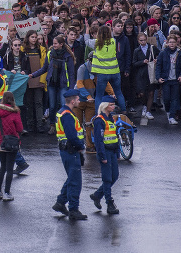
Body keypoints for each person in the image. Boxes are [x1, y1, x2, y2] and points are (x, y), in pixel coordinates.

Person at [52, 89, 87, 220]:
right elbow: (72, 136)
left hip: (67, 150)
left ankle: (60, 203)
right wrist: (81, 146)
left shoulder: (62, 112)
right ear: (72, 101)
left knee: (72, 178)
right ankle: (73, 210)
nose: (79, 101)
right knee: (75, 182)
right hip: (71, 150)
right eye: (78, 99)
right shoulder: (67, 115)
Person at [89, 95, 120, 215]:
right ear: (106, 106)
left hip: (112, 151)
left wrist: (117, 152)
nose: (113, 106)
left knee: (114, 176)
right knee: (107, 179)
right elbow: (98, 140)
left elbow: (115, 136)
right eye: (111, 105)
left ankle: (97, 195)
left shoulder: (110, 118)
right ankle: (109, 203)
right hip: (105, 152)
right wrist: (102, 156)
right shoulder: (99, 120)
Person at [0, 90, 22, 202]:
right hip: (12, 143)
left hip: (0, 142)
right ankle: (7, 193)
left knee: (2, 167)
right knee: (10, 168)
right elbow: (19, 128)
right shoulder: (15, 112)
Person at [91, 25, 127, 112]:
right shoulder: (113, 41)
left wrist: (88, 28)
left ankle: (98, 114)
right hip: (114, 71)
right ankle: (123, 110)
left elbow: (85, 40)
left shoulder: (96, 43)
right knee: (118, 92)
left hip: (102, 72)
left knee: (99, 95)